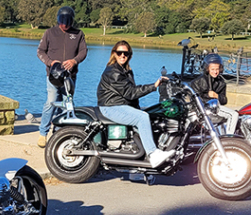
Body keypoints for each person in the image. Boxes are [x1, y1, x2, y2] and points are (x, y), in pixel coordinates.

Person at [97, 40, 175, 168]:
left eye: (125, 53)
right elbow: (130, 93)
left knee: (152, 113)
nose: (123, 55)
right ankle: (153, 154)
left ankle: (143, 158)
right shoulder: (113, 72)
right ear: (114, 54)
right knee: (142, 117)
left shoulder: (125, 70)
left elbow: (130, 95)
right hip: (110, 106)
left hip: (120, 104)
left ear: (130, 55)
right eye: (119, 52)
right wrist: (153, 86)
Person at [36, 6, 88, 148]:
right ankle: (43, 133)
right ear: (58, 20)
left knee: (67, 105)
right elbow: (40, 51)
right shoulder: (49, 33)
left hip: (70, 77)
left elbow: (83, 51)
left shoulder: (78, 34)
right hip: (53, 75)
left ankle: (59, 133)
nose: (64, 25)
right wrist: (50, 62)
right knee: (51, 101)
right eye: (62, 21)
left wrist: (74, 61)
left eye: (67, 21)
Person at [190, 53, 238, 134]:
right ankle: (229, 138)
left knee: (236, 115)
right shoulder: (198, 81)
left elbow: (224, 101)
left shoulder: (221, 83)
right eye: (212, 69)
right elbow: (194, 99)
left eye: (217, 69)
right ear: (207, 69)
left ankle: (224, 136)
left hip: (216, 109)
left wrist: (216, 96)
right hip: (203, 110)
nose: (215, 72)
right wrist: (208, 102)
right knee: (234, 114)